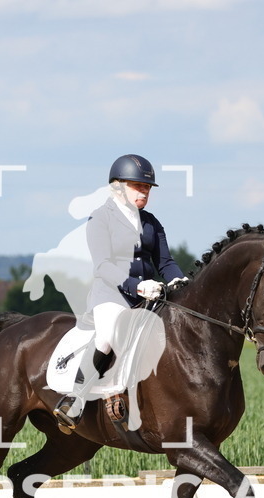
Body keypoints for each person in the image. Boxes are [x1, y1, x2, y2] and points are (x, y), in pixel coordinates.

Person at [54, 154, 188, 430]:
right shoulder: (100, 219)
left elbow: (165, 262)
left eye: (147, 188)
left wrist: (180, 282)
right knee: (107, 335)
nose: (144, 192)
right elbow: (102, 266)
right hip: (111, 296)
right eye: (138, 186)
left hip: (147, 297)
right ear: (117, 187)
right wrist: (137, 285)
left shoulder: (151, 222)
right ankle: (75, 398)